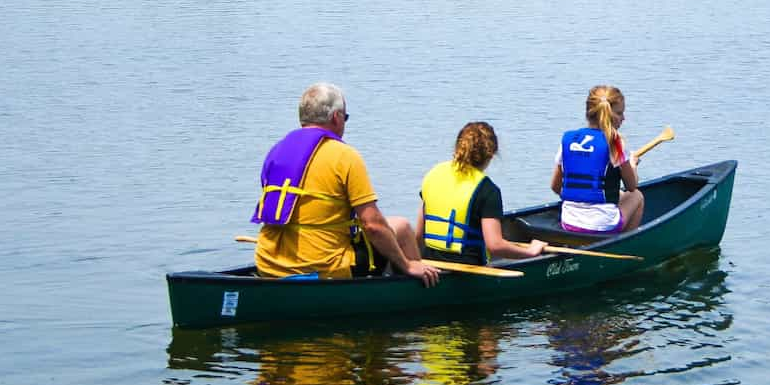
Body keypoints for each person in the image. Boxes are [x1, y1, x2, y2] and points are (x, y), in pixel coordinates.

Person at [253, 82, 439, 286]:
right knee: (402, 227)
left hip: (268, 263)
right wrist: (407, 264)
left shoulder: (276, 151)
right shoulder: (344, 156)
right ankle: (417, 291)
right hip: (324, 267)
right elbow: (373, 225)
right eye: (345, 117)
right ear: (336, 117)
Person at [419, 121, 546, 264]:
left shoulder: (434, 174)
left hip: (430, 264)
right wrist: (530, 251)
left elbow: (419, 233)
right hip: (467, 269)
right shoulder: (487, 189)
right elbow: (495, 246)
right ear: (491, 155)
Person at [550, 85, 645, 233]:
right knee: (637, 196)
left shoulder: (568, 139)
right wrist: (632, 164)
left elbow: (555, 187)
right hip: (602, 224)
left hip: (568, 222)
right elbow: (632, 186)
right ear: (610, 115)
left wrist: (581, 199)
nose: (623, 118)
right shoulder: (615, 142)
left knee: (618, 193)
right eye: (620, 113)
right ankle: (623, 243)